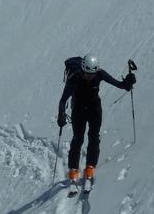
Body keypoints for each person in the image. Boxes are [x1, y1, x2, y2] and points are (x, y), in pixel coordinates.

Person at [57, 54, 135, 193]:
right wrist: (61, 114)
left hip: (94, 109)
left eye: (92, 74)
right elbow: (63, 100)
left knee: (94, 137)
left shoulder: (100, 74)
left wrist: (128, 83)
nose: (89, 76)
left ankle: (90, 168)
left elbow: (119, 84)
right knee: (78, 139)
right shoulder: (74, 77)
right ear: (82, 69)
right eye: (87, 73)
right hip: (78, 111)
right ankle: (73, 172)